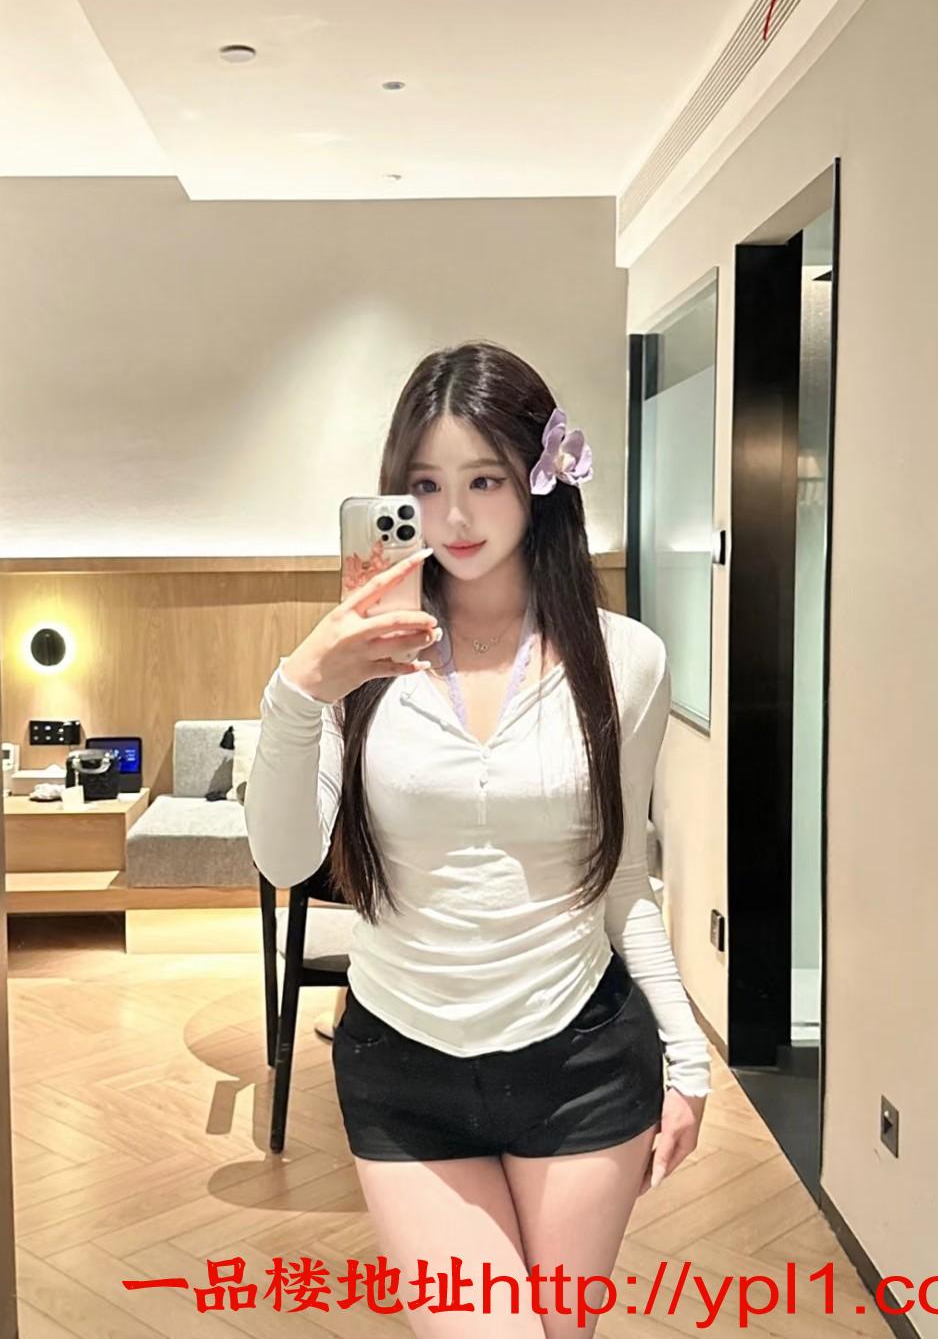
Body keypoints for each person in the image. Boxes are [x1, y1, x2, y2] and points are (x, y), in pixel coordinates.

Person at [245, 341, 711, 1336]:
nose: (453, 517)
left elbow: (624, 878)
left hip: (583, 1061)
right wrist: (297, 692)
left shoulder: (626, 660)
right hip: (404, 1066)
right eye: (425, 485)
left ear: (540, 483)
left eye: (485, 480)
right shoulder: (354, 666)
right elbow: (285, 860)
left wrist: (689, 1057)